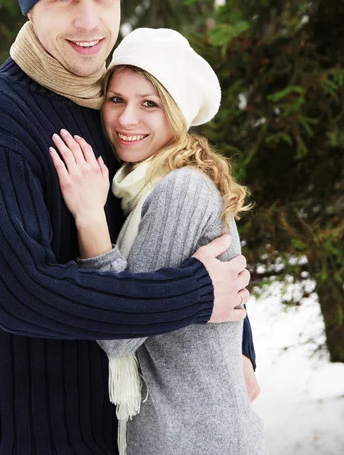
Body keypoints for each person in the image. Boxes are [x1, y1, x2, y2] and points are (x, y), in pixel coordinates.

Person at [0, 0, 254, 455]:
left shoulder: (114, 104)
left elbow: (183, 228)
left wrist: (237, 341)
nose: (91, 21)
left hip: (130, 424)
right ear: (30, 7)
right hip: (36, 429)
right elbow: (22, 297)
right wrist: (197, 293)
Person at [49, 28, 265, 455]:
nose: (127, 119)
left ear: (178, 113)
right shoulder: (141, 184)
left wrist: (90, 218)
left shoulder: (180, 189)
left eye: (150, 103)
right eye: (116, 100)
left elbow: (119, 333)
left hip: (195, 438)